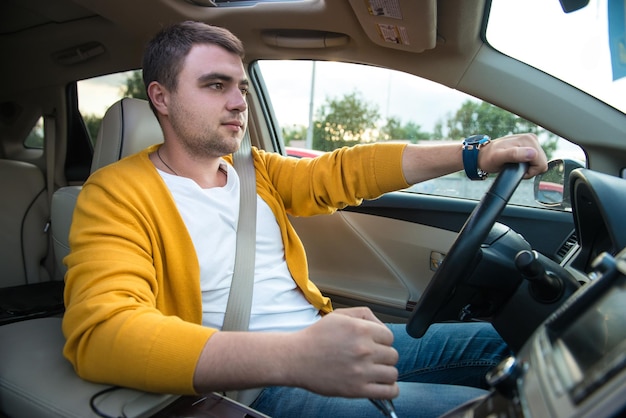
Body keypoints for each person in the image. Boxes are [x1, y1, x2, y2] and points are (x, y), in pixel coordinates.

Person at [62, 21, 547, 418]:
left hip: (318, 341)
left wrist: (473, 154)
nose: (237, 102)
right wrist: (293, 358)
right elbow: (102, 335)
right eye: (215, 85)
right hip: (253, 387)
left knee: (528, 333)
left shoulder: (252, 170)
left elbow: (341, 172)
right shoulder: (116, 193)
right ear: (162, 98)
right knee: (509, 409)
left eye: (241, 88)